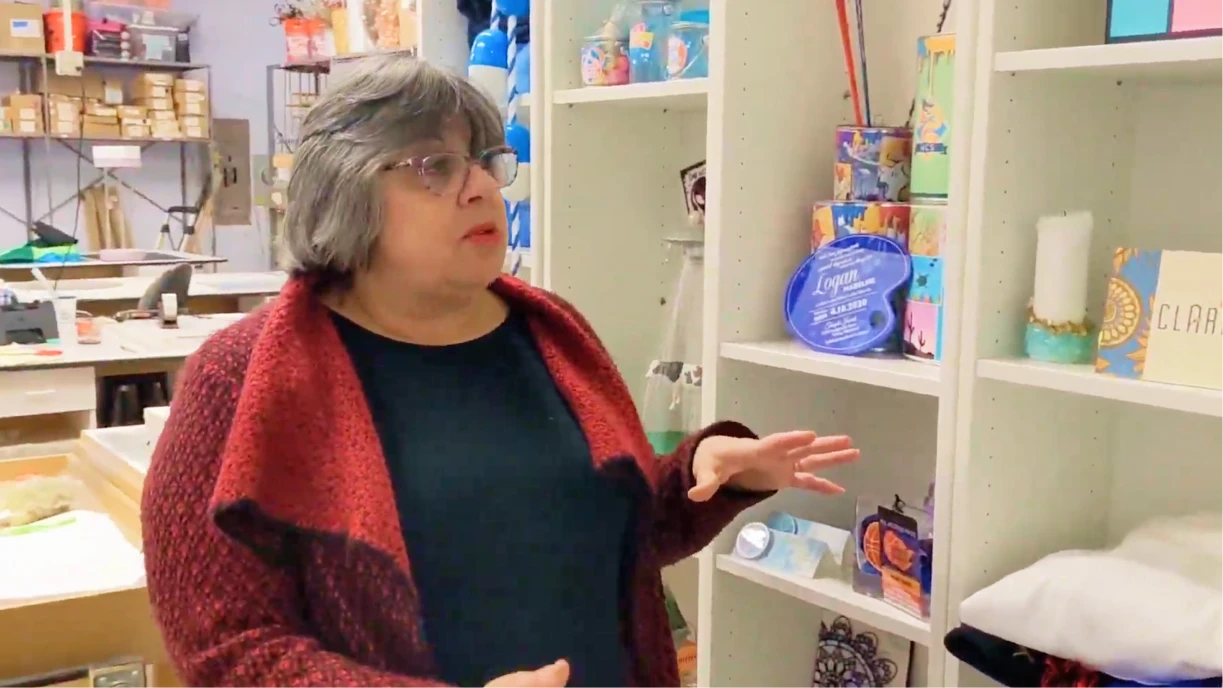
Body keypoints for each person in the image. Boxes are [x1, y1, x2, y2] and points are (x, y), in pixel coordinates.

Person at [141, 55, 859, 688]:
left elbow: (617, 542)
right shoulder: (240, 378)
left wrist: (711, 472)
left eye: (486, 159)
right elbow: (229, 649)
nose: (483, 187)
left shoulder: (551, 331)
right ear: (343, 188)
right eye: (434, 165)